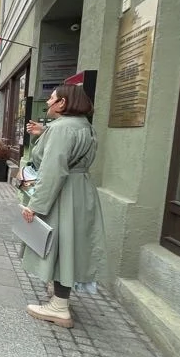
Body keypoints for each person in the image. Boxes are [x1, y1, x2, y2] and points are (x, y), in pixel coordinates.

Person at [20, 85, 107, 328]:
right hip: (80, 190)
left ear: (62, 103)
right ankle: (60, 298)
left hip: (62, 193)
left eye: (51, 98)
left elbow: (53, 170)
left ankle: (59, 306)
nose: (47, 102)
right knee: (70, 245)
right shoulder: (84, 126)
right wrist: (45, 132)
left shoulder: (61, 129)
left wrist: (34, 205)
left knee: (58, 244)